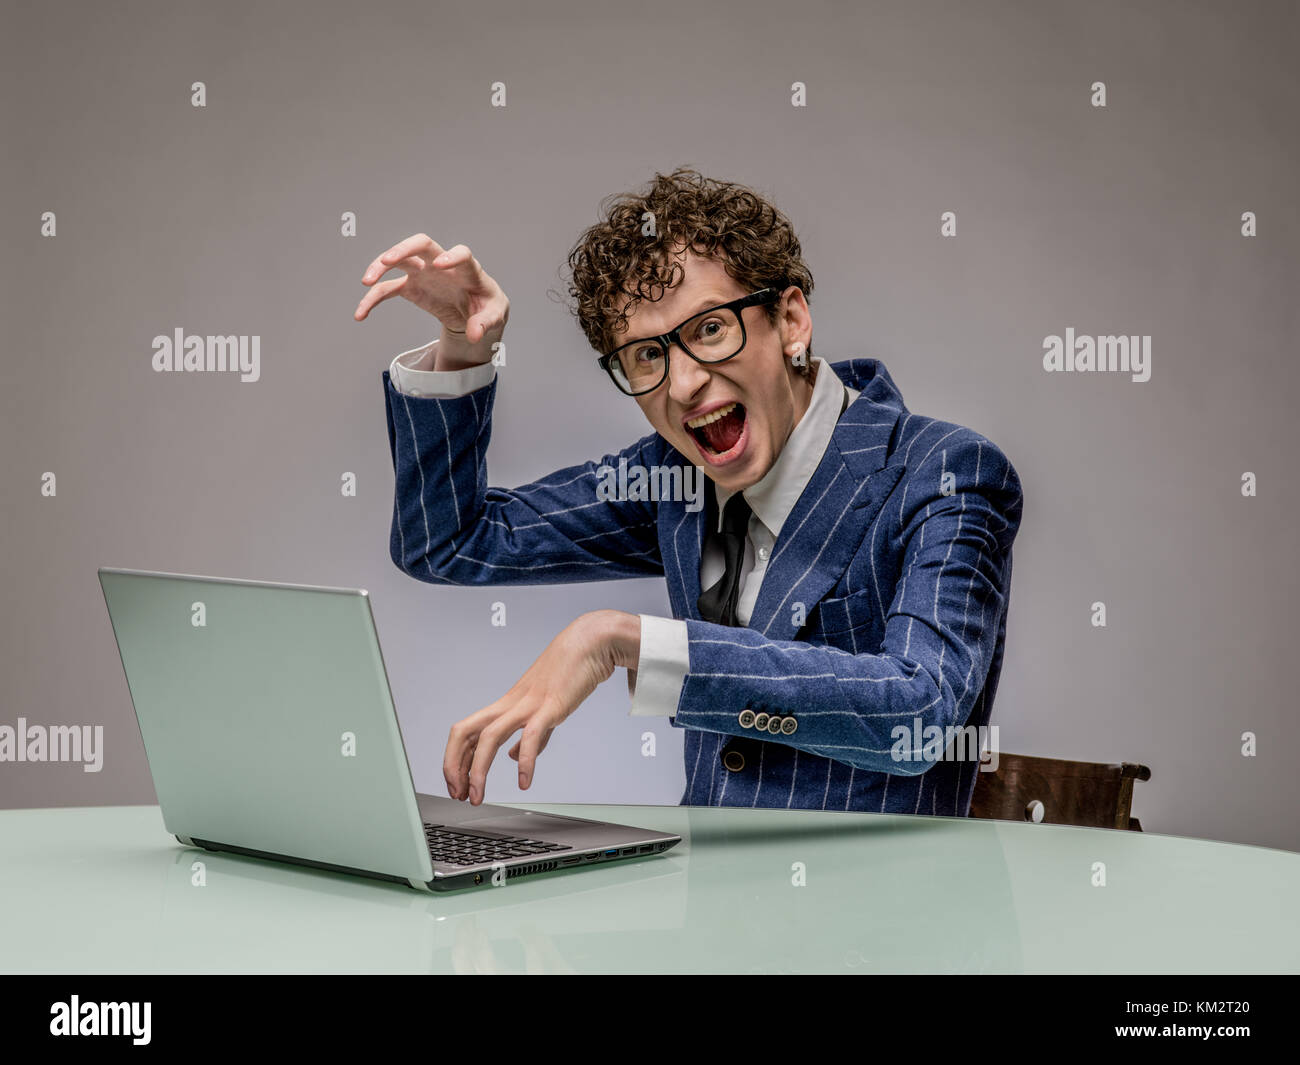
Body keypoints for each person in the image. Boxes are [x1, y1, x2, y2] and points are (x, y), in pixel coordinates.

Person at [355, 167, 1023, 815]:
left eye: (709, 329)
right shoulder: (675, 482)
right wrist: (463, 346)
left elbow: (919, 714)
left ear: (790, 320)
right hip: (701, 908)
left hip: (881, 922)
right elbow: (450, 543)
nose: (682, 386)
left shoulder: (946, 473)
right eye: (647, 355)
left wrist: (631, 640)